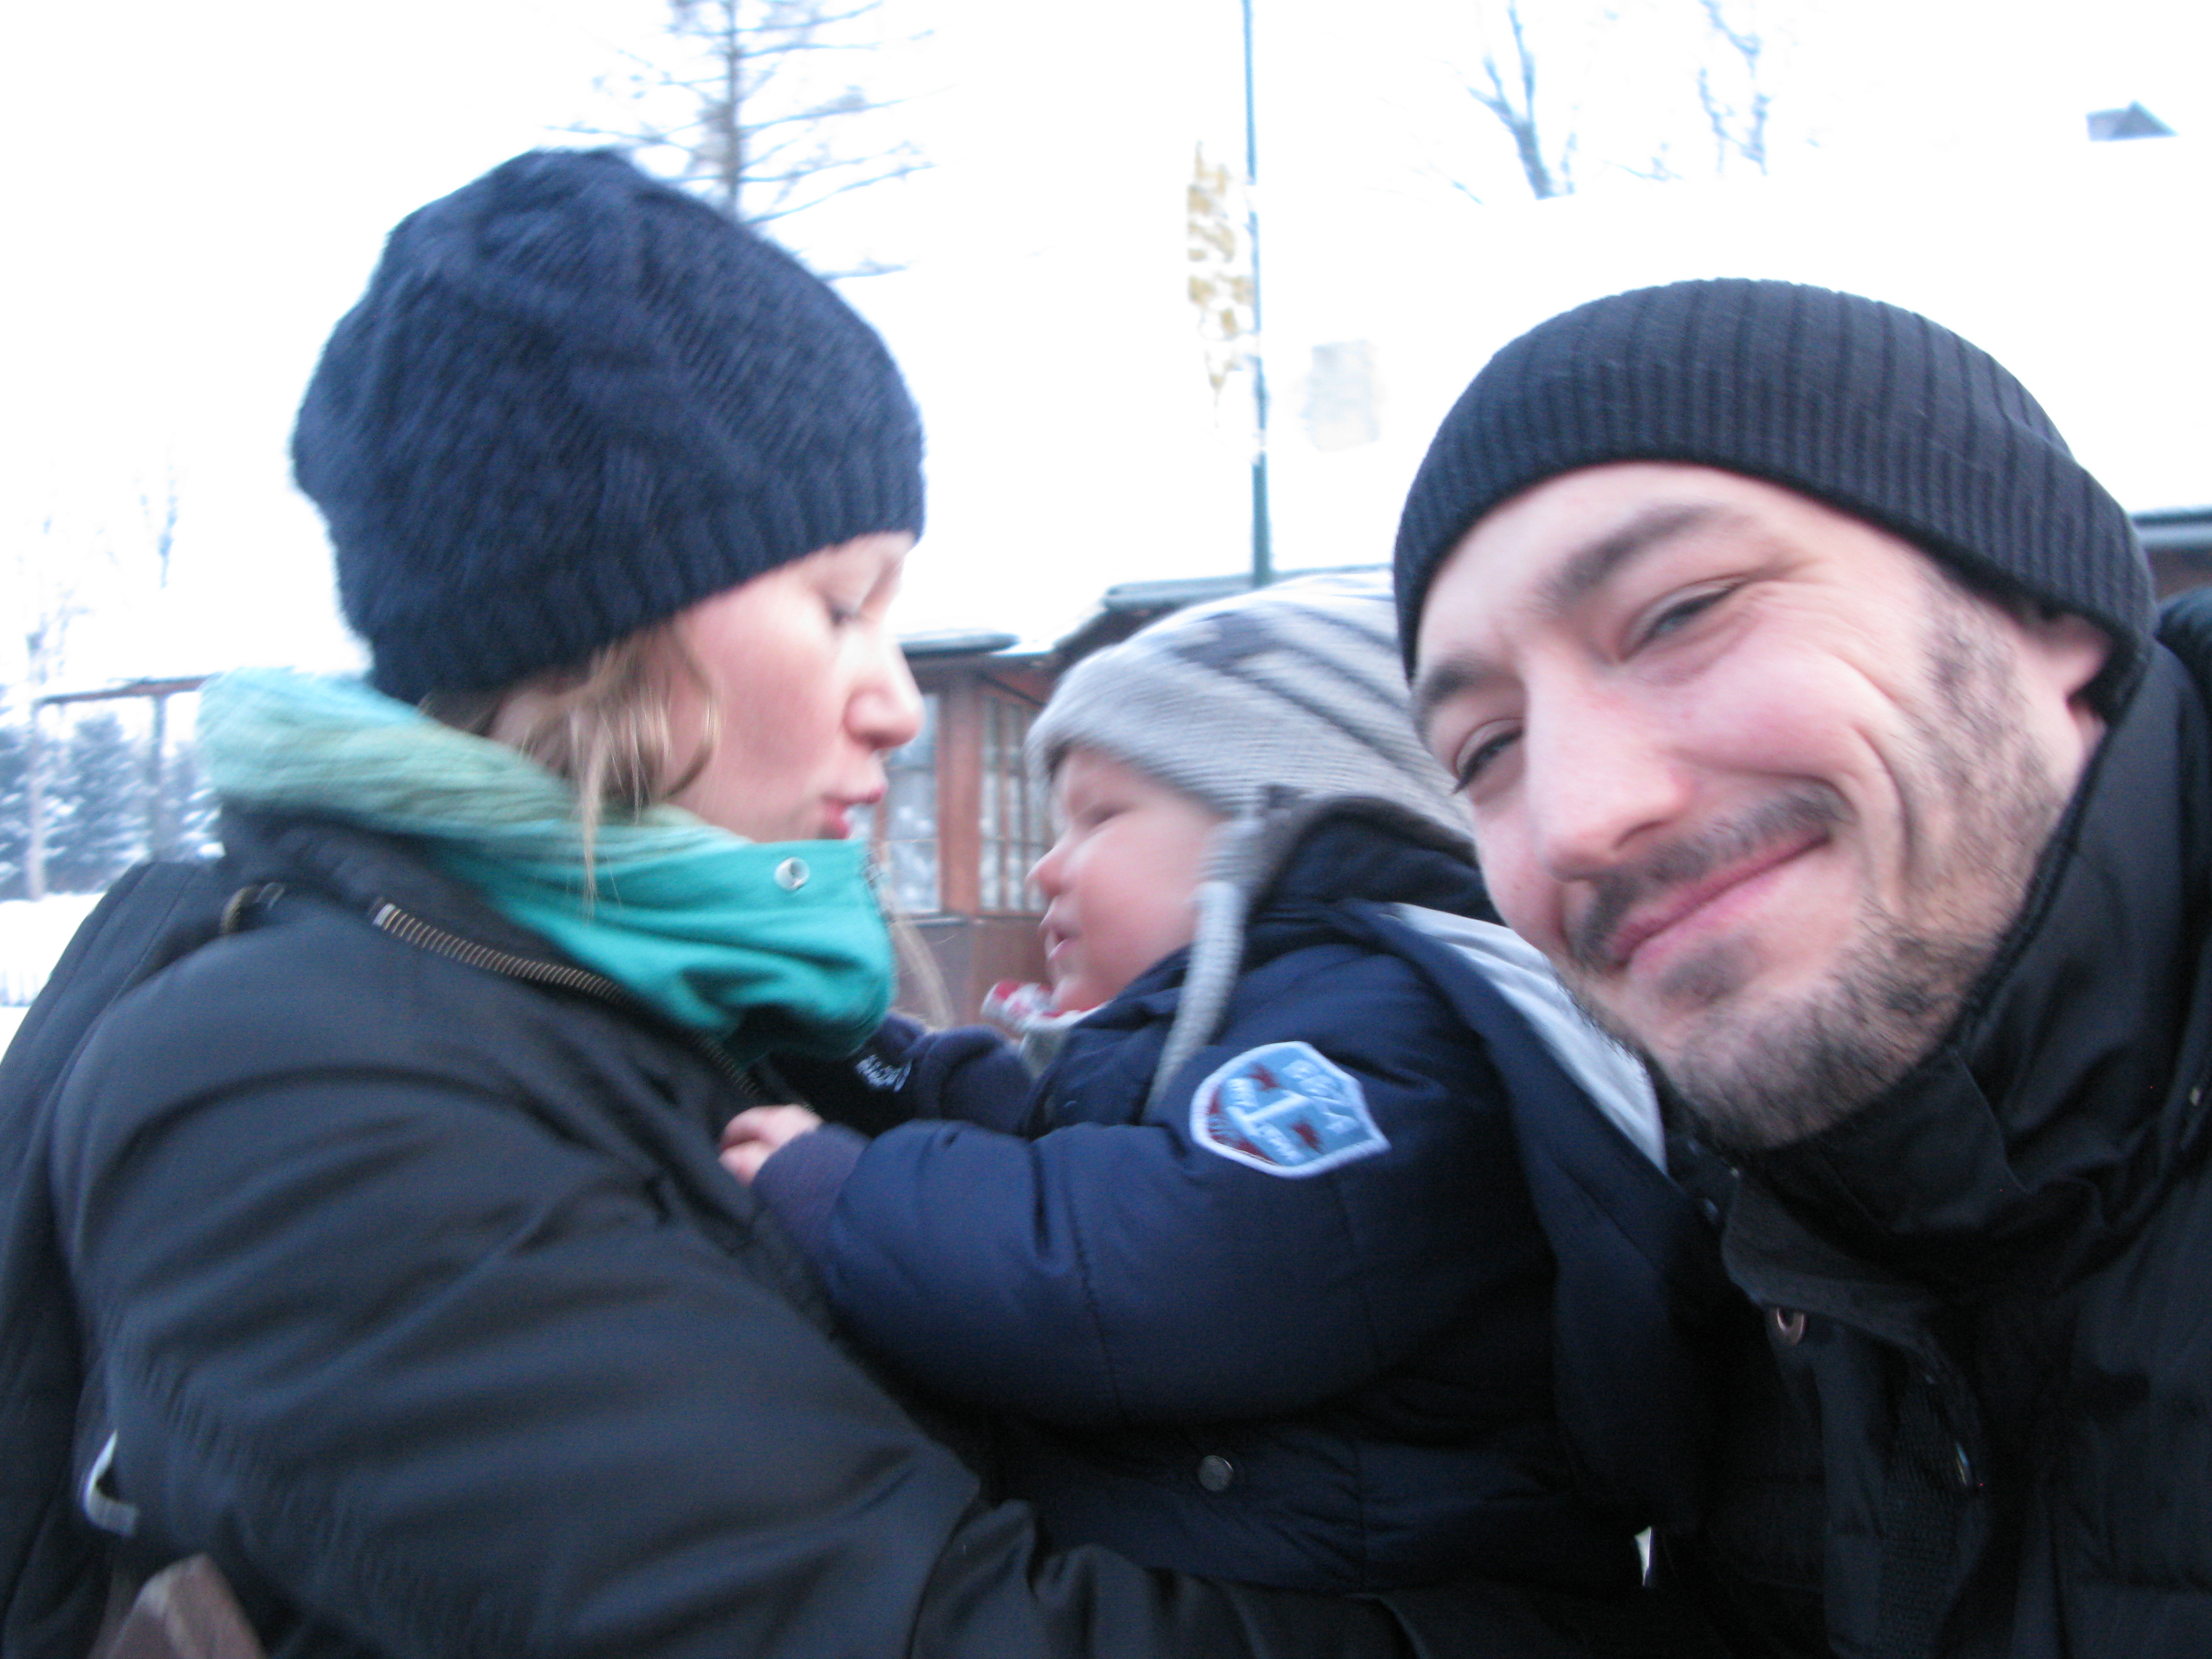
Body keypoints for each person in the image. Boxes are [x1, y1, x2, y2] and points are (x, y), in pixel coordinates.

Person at [0, 150, 1671, 1659]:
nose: (891, 703)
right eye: (841, 606)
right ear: (601, 629)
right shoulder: (302, 1092)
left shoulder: (679, 1010)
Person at [1392, 275, 2212, 1659]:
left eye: (1680, 613)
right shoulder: (1757, 1264)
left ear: (2044, 607)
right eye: (1486, 749)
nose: (1577, 818)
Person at [719, 573, 1716, 1599]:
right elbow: (1062, 1147)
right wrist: (866, 1060)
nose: (1047, 869)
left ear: (1267, 831)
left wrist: (852, 1201)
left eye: (1099, 818)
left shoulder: (1399, 1033)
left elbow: (1156, 1270)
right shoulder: (1256, 1028)